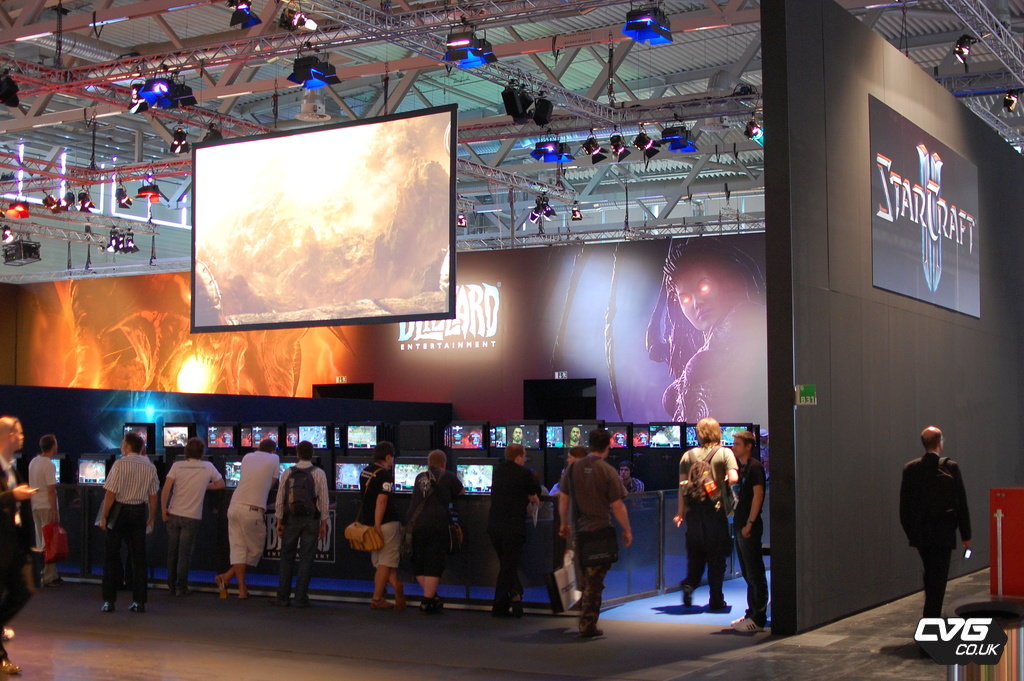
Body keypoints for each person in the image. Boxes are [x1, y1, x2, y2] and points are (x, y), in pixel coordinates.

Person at [646, 237, 767, 423]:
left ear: (724, 282)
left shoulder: (744, 318)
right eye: (685, 298)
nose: (696, 303)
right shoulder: (708, 342)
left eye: (703, 287)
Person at [558, 428, 633, 638]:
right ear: (608, 446)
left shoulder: (573, 468)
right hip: (600, 532)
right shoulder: (607, 471)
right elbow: (617, 505)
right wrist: (627, 530)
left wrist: (563, 523)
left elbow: (563, 498)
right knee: (594, 581)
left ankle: (585, 618)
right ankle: (588, 623)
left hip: (579, 533)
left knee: (584, 579)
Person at [900, 426, 971, 620]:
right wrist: (966, 535)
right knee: (938, 577)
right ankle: (931, 619)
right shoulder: (951, 467)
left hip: (922, 534)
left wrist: (912, 533)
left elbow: (904, 507)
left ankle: (930, 615)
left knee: (930, 573)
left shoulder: (911, 469)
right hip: (944, 533)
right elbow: (961, 503)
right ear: (940, 443)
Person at [674, 417, 739, 611]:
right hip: (716, 512)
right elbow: (734, 478)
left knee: (696, 554)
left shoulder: (687, 456)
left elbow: (682, 486)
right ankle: (716, 599)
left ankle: (689, 584)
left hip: (694, 513)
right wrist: (726, 479)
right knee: (716, 557)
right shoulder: (725, 453)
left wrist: (680, 512)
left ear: (699, 434)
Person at [99, 431, 159, 613]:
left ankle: (109, 601)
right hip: (139, 512)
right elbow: (153, 496)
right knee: (139, 558)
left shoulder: (120, 464)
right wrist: (151, 517)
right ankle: (139, 602)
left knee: (111, 556)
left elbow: (111, 493)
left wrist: (104, 515)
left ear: (127, 446)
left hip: (119, 512)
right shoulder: (150, 467)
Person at [216, 438, 279, 600]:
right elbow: (272, 482)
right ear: (273, 450)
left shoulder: (247, 457)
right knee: (255, 551)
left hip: (234, 506)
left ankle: (241, 589)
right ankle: (227, 576)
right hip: (253, 508)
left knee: (238, 550)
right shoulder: (274, 458)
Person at [160, 437, 224, 596]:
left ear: (186, 451)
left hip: (173, 513)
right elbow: (220, 484)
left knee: (172, 551)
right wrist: (204, 486)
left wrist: (163, 509)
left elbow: (166, 488)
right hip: (192, 516)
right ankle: (181, 588)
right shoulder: (208, 466)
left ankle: (171, 585)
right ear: (202, 452)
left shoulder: (177, 465)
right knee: (184, 553)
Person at [0, 417, 36, 674]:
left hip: (13, 543)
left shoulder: (12, 468)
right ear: (8, 436)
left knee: (24, 589)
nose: (22, 437)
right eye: (19, 433)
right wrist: (13, 495)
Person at [487, 443, 540, 617]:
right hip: (513, 527)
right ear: (518, 457)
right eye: (524, 456)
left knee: (506, 565)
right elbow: (535, 491)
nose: (524, 459)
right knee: (508, 567)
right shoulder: (524, 473)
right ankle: (499, 606)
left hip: (494, 525)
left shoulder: (498, 471)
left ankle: (516, 596)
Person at [407, 449, 463, 614]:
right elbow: (461, 492)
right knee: (434, 562)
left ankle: (432, 597)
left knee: (419, 562)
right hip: (437, 524)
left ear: (428, 463)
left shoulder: (419, 477)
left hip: (415, 523)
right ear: (444, 463)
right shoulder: (448, 476)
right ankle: (427, 601)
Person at [274, 441, 329, 608]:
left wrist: (279, 521)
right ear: (312, 454)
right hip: (311, 519)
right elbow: (324, 501)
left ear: (297, 454)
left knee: (286, 557)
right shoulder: (319, 473)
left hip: (291, 519)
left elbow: (280, 499)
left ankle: (282, 597)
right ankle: (300, 598)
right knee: (306, 558)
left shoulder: (288, 472)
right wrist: (324, 523)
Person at [729, 430, 767, 632]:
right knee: (747, 572)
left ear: (748, 446)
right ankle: (751, 612)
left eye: (737, 444)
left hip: (748, 525)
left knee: (754, 571)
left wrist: (750, 523)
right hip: (741, 523)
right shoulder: (743, 468)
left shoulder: (754, 467)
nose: (733, 447)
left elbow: (758, 495)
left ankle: (758, 617)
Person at [359, 441, 404, 610]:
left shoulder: (365, 471)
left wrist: (373, 523)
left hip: (368, 523)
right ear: (388, 457)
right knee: (386, 562)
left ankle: (396, 586)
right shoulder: (385, 475)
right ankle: (377, 598)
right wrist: (378, 524)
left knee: (380, 561)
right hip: (385, 523)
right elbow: (382, 500)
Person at [29, 433, 61, 588]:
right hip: (46, 506)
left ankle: (47, 574)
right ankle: (47, 577)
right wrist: (54, 510)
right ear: (53, 446)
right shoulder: (49, 464)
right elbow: (51, 490)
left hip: (35, 506)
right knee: (49, 543)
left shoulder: (33, 461)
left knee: (41, 541)